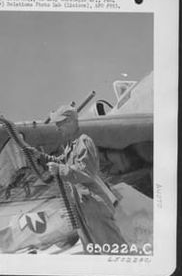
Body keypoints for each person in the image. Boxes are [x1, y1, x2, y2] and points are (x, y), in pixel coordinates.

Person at [26, 105, 126, 251]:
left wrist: (59, 169)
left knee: (111, 245)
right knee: (92, 248)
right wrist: (40, 155)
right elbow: (62, 161)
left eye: (60, 124)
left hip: (93, 204)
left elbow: (87, 172)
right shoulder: (70, 146)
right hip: (82, 204)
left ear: (71, 122)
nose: (57, 128)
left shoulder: (84, 142)